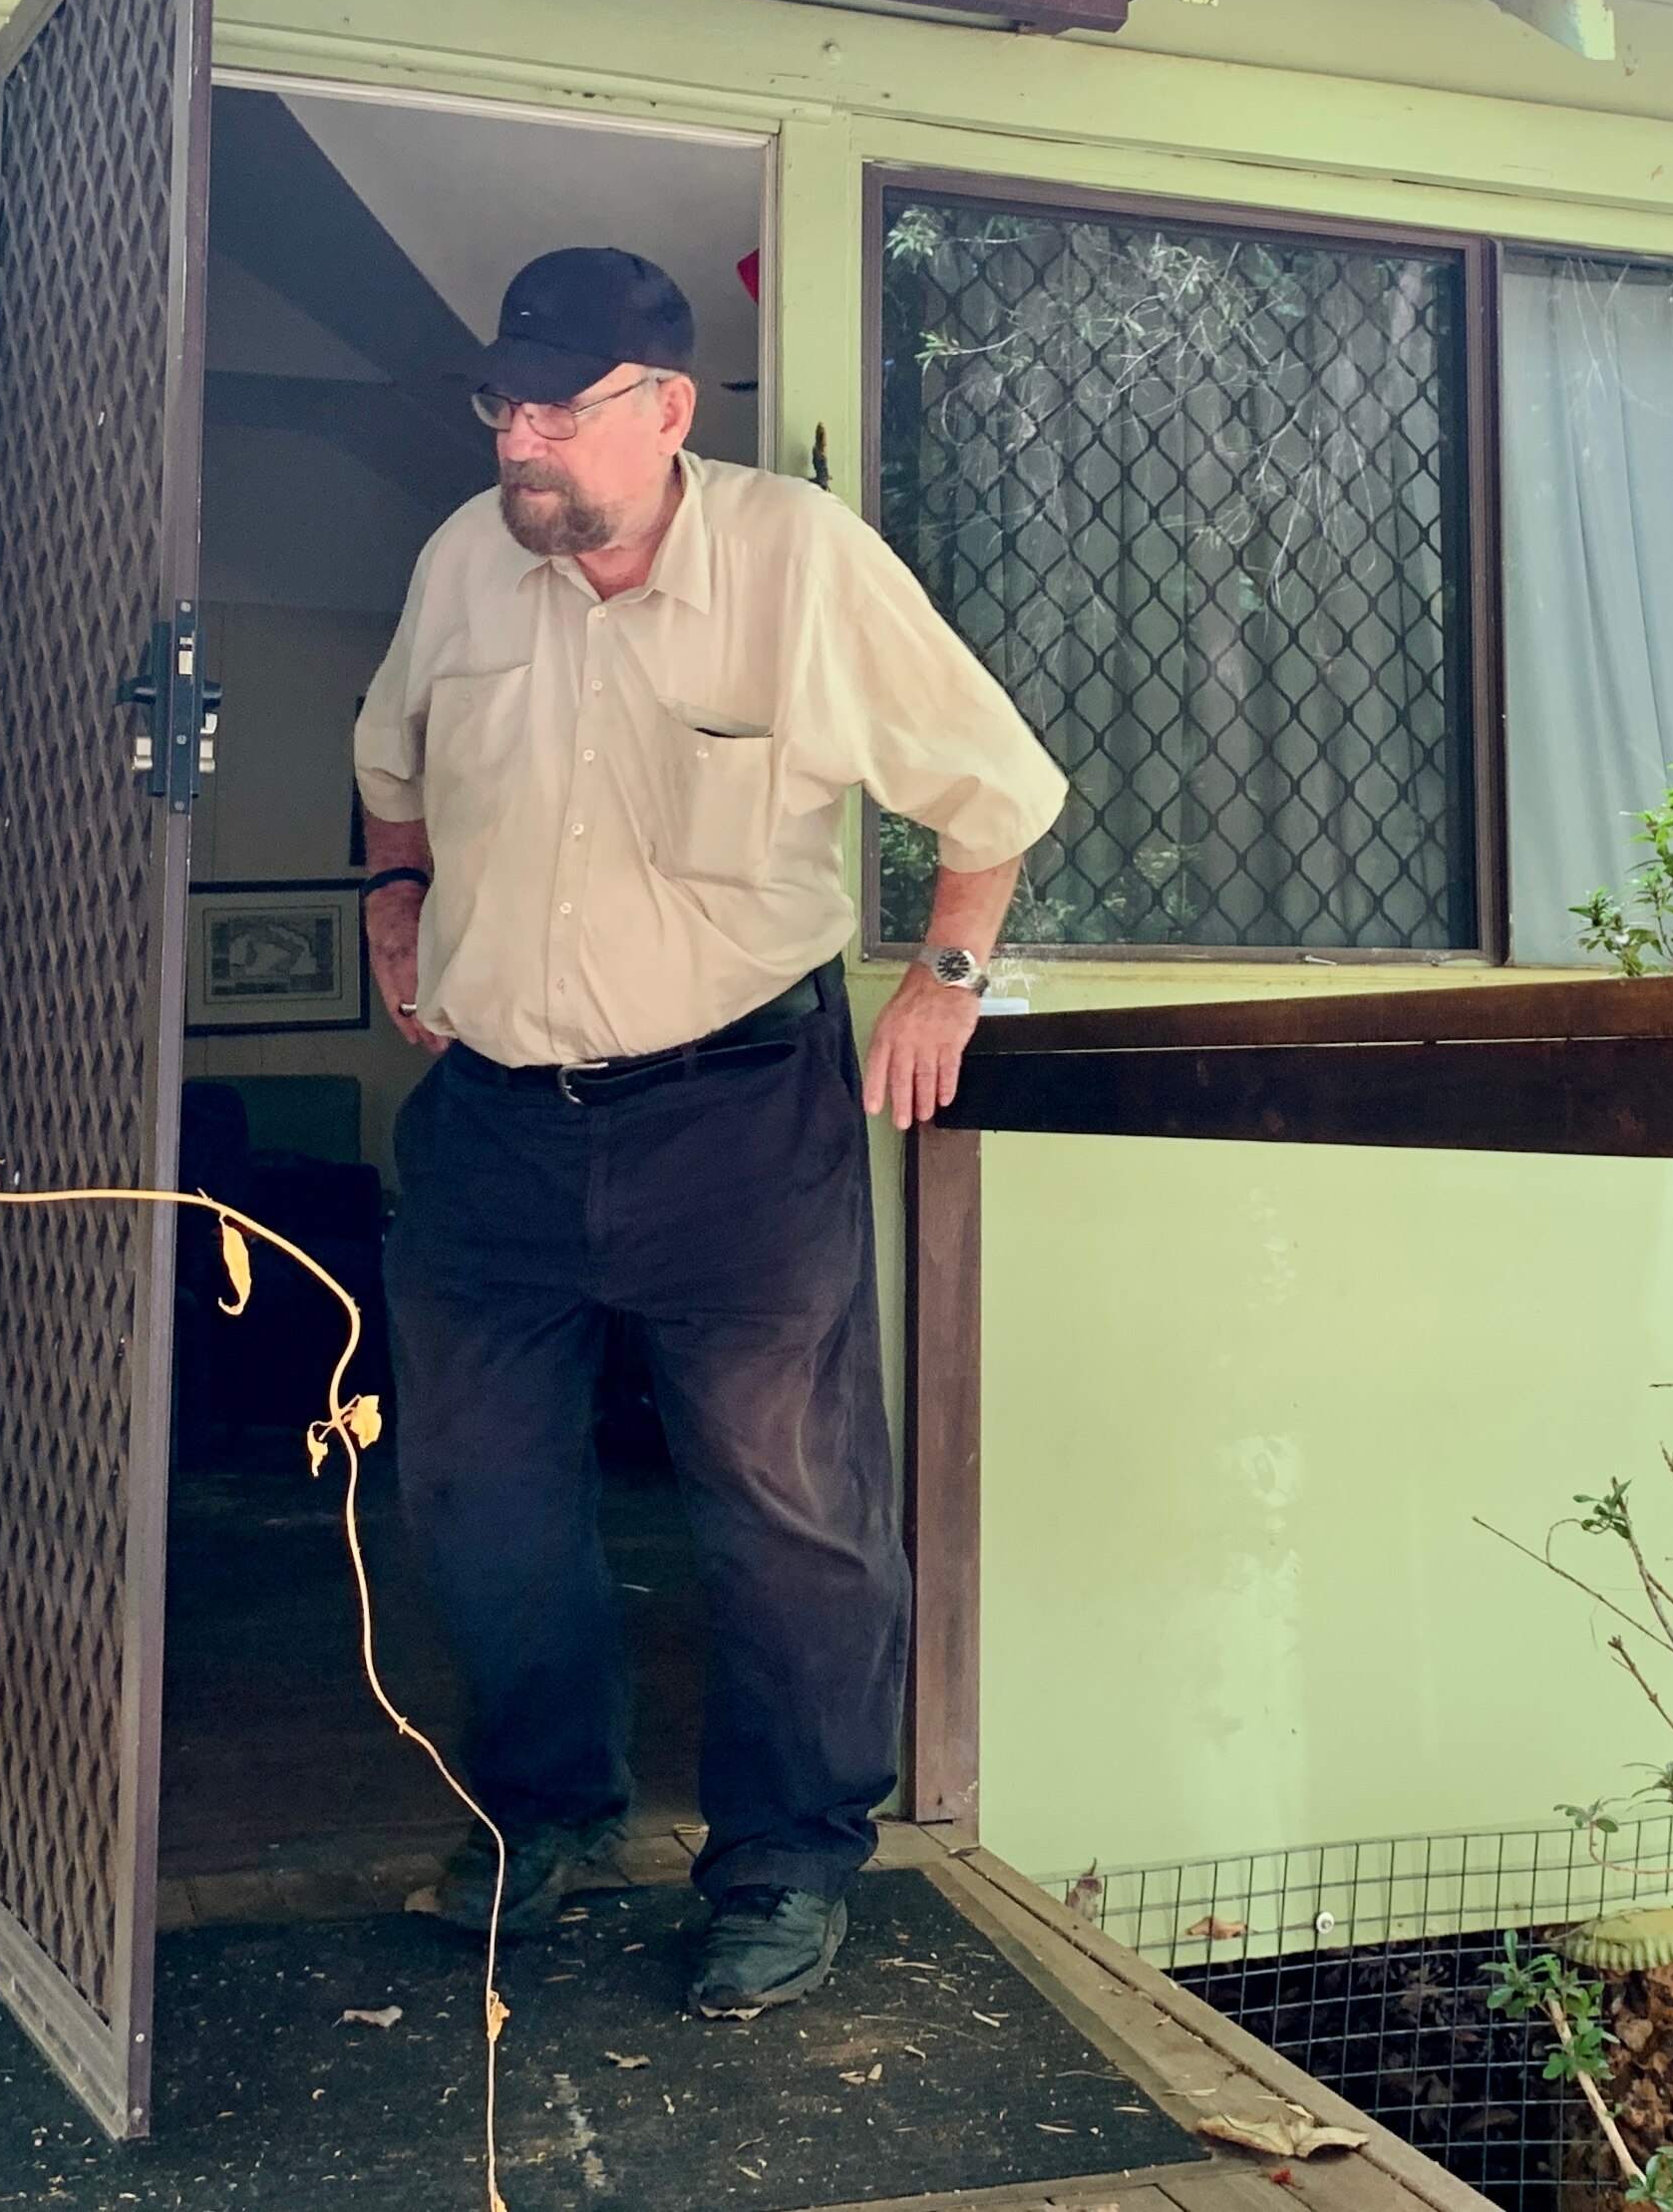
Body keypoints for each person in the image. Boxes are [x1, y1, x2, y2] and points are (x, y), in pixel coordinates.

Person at [350, 243, 1063, 2020]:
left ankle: (789, 1855)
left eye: (558, 409)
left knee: (790, 1508)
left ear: (666, 410)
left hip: (738, 1113)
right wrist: (391, 894)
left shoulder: (798, 560)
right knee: (475, 1488)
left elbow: (996, 790)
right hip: (497, 1125)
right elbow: (390, 765)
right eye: (502, 403)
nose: (521, 440)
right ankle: (543, 1817)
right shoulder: (463, 560)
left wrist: (945, 976)